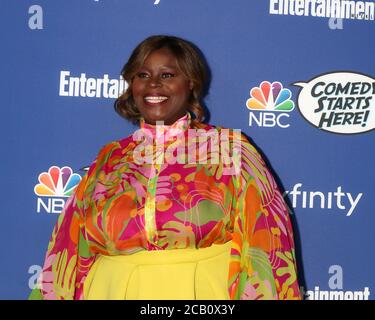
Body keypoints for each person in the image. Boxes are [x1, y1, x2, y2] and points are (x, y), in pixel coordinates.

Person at [29, 35, 301, 300]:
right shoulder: (110, 157)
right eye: (142, 75)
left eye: (167, 75)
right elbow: (68, 246)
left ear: (191, 83)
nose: (153, 85)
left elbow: (267, 243)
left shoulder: (229, 149)